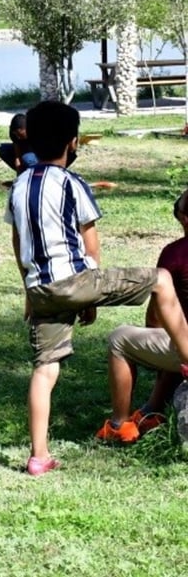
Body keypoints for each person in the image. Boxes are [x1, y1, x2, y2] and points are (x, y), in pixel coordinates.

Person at [6, 100, 188, 476]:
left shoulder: (19, 185)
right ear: (73, 142)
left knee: (44, 368)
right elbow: (91, 245)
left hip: (41, 287)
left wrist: (28, 289)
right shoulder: (73, 184)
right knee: (163, 281)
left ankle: (39, 456)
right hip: (77, 279)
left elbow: (16, 240)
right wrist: (91, 295)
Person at [98, 189, 188, 443]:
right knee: (175, 336)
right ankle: (153, 409)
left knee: (120, 339)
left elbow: (157, 315)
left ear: (185, 219)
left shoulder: (176, 253)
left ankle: (119, 424)